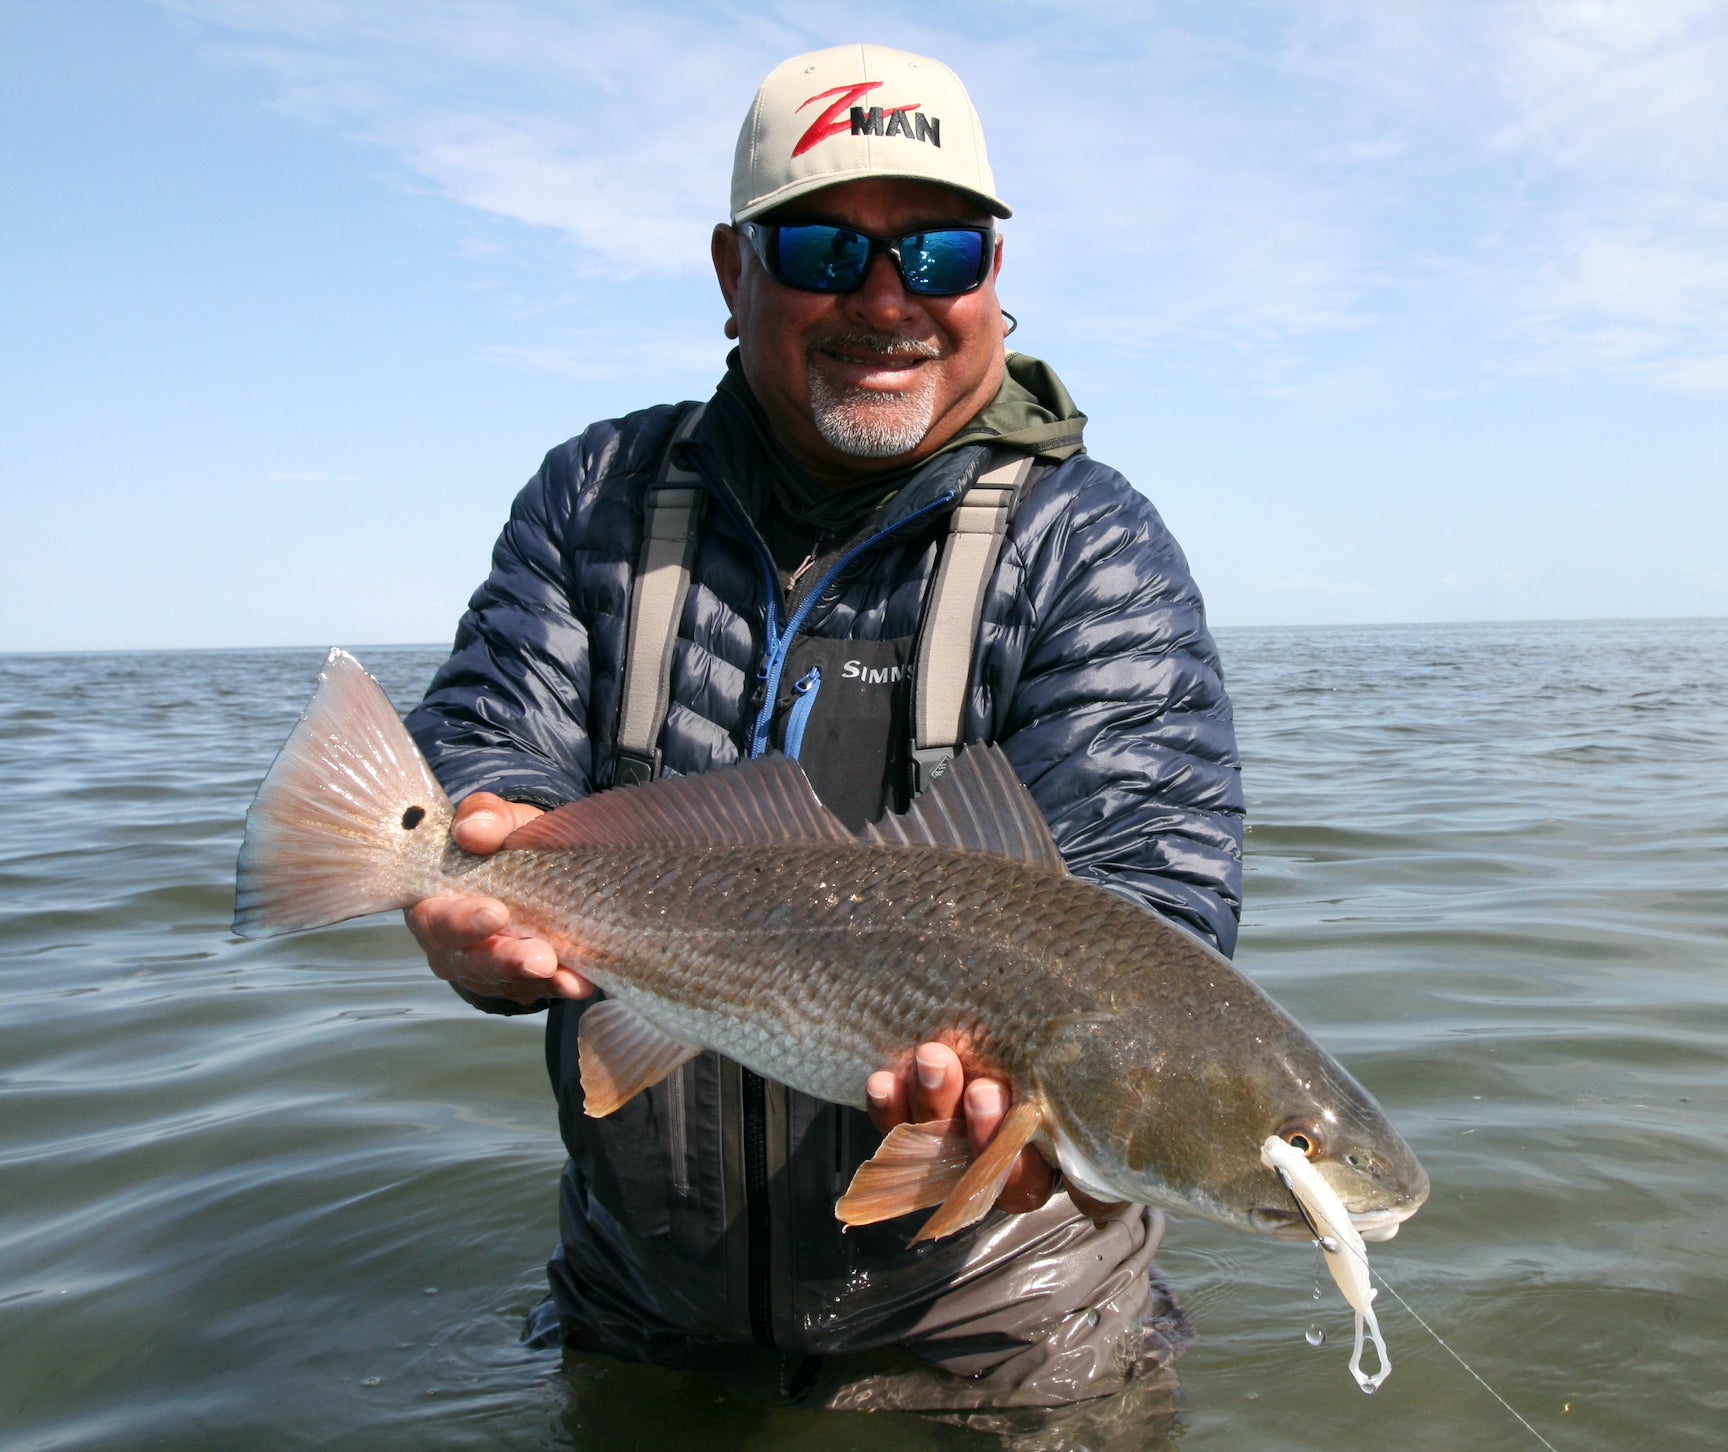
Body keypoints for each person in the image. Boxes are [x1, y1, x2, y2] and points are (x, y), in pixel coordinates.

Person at [402, 43, 1242, 1434]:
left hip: (1010, 1340)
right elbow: (489, 739)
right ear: (735, 276)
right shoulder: (599, 494)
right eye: (820, 248)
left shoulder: (1092, 546)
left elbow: (1151, 907)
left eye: (940, 250)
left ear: (996, 276)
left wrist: (1046, 1124)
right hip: (639, 1313)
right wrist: (462, 860)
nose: (887, 302)